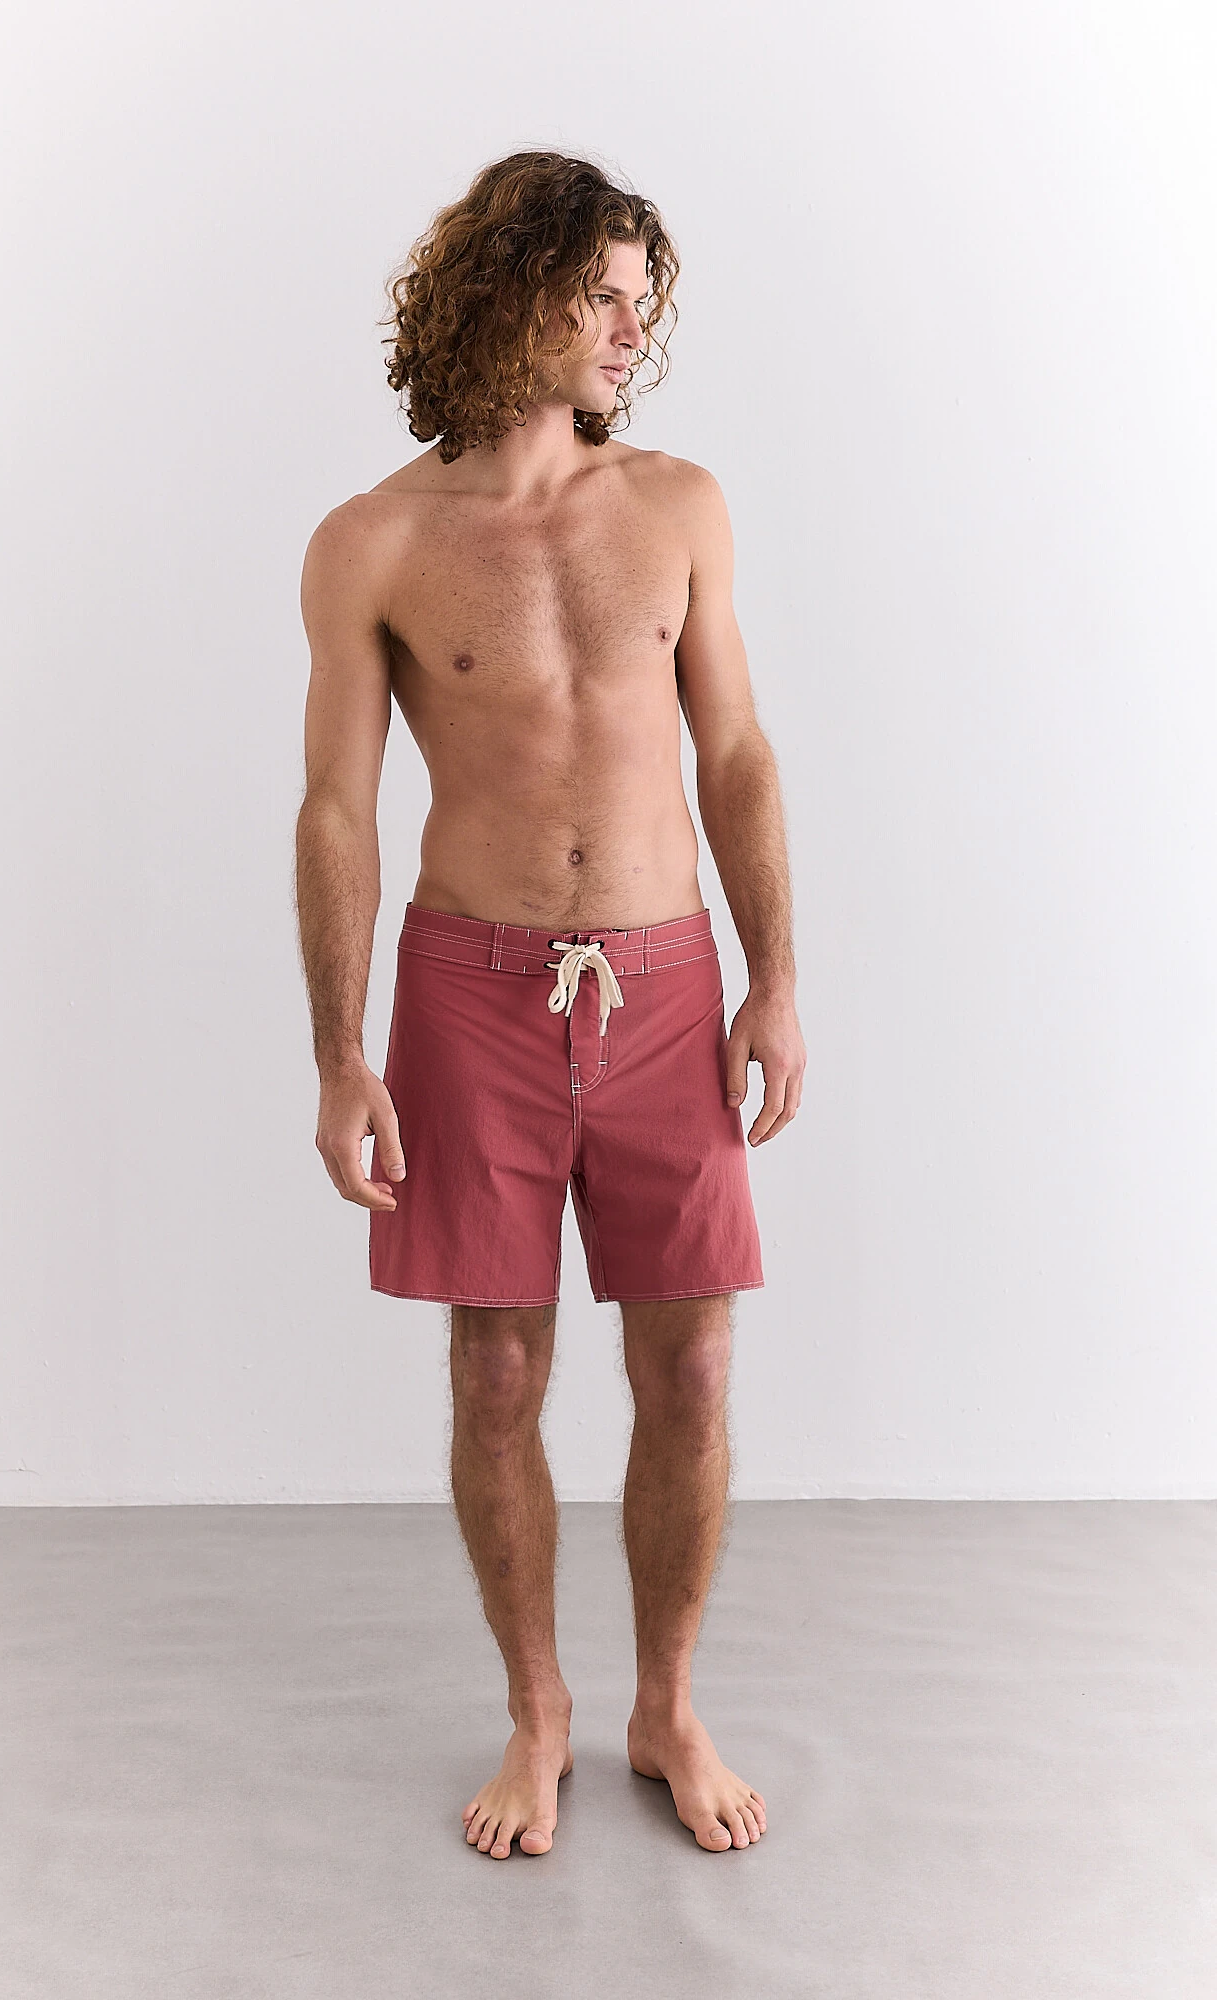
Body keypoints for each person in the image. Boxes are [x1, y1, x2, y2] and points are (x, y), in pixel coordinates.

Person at [295, 150, 806, 1859]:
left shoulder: (678, 507)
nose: (628, 328)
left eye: (638, 302)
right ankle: (538, 1715)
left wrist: (773, 978)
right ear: (506, 291)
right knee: (497, 1375)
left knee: (696, 1365)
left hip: (663, 982)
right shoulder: (373, 541)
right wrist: (338, 1054)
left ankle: (666, 1703)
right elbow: (337, 810)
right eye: (598, 294)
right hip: (470, 993)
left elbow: (734, 753)